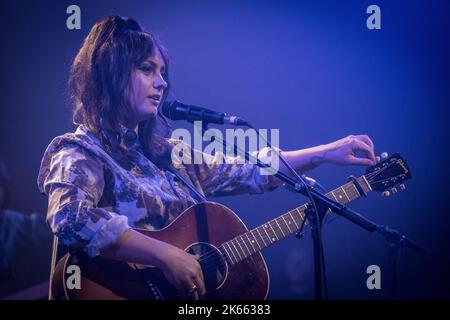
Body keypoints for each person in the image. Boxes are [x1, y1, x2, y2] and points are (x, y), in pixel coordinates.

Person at [37, 15, 377, 300]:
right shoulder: (80, 150)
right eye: (146, 69)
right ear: (110, 74)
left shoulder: (167, 154)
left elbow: (248, 171)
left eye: (163, 73)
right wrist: (165, 255)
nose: (162, 83)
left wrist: (326, 152)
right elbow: (70, 218)